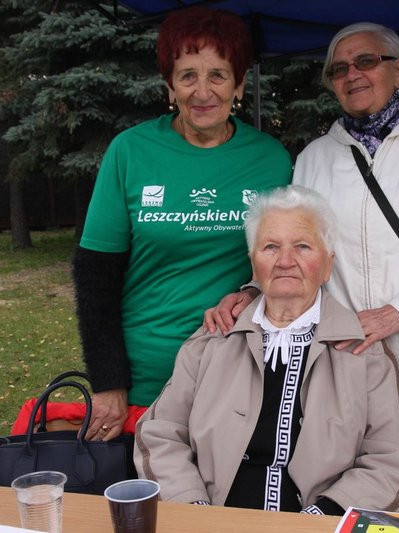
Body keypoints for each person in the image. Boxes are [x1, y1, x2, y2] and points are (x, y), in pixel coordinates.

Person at [205, 22, 399, 524]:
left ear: (398, 68)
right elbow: (298, 248)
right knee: (352, 513)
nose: (353, 74)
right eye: (339, 68)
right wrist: (251, 291)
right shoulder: (315, 159)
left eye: (366, 61)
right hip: (350, 376)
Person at [135, 186, 399, 515]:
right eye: (270, 247)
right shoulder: (213, 340)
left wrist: (323, 518)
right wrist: (196, 511)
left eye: (302, 247)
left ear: (328, 263)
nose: (285, 261)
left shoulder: (364, 353)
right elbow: (160, 435)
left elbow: (395, 458)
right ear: (254, 262)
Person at [71, 6, 292, 442]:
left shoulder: (271, 160)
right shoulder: (130, 152)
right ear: (169, 86)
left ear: (239, 85)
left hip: (235, 372)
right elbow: (95, 276)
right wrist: (109, 381)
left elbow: (283, 263)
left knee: (216, 508)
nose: (202, 91)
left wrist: (251, 291)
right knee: (141, 507)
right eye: (188, 75)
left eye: (218, 75)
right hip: (141, 378)